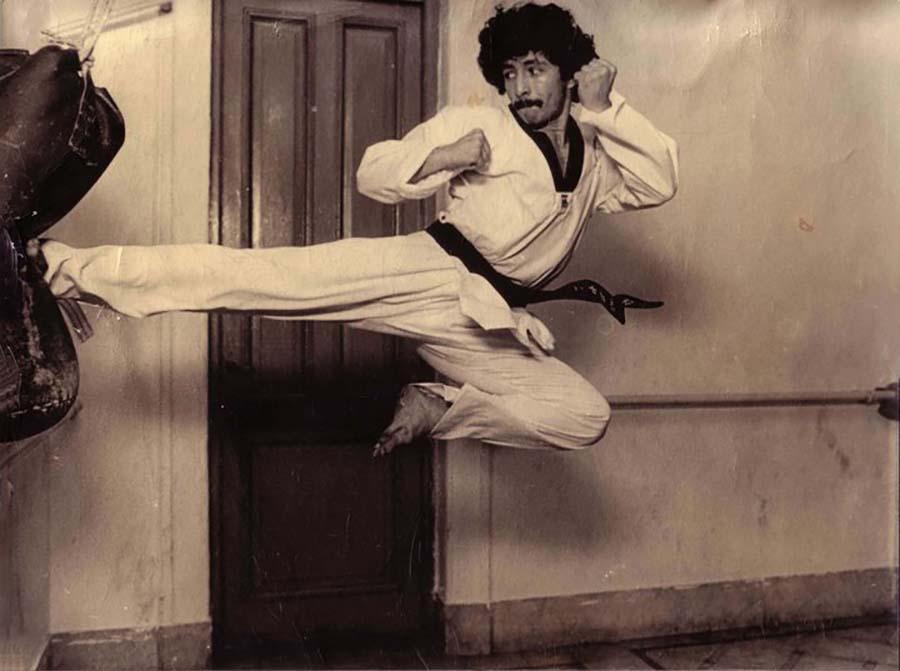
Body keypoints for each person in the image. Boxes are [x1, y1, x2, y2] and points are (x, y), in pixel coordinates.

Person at [33, 2, 678, 456]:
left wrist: (609, 108)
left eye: (534, 69)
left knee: (585, 417)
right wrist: (445, 158)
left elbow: (658, 182)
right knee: (253, 278)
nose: (518, 87)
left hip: (489, 323)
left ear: (569, 71)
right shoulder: (482, 124)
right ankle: (61, 268)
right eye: (508, 73)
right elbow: (376, 171)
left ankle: (437, 407)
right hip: (428, 271)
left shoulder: (595, 162)